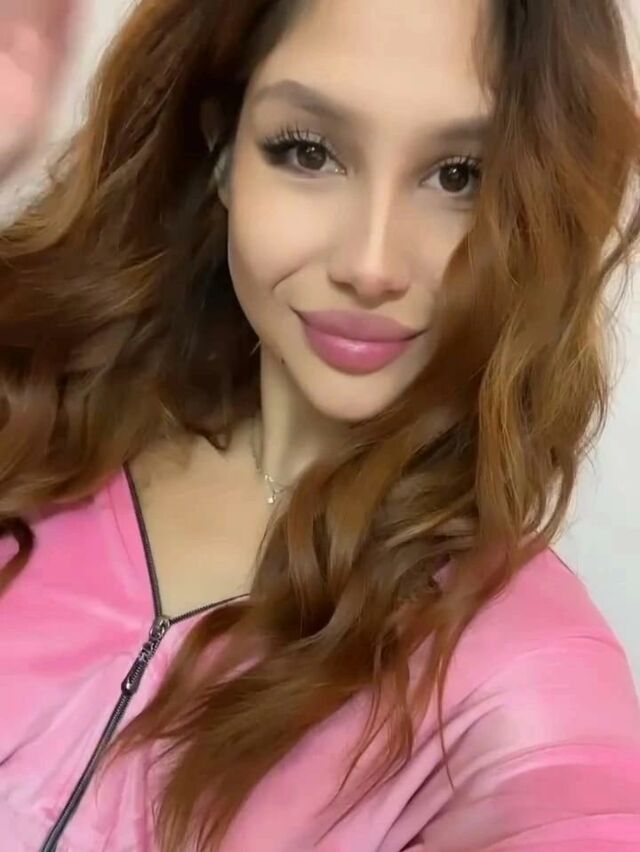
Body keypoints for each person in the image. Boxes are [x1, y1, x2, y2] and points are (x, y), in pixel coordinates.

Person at [0, 0, 639, 849]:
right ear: (224, 152)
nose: (370, 265)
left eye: (460, 176)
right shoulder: (34, 423)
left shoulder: (532, 683)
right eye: (308, 151)